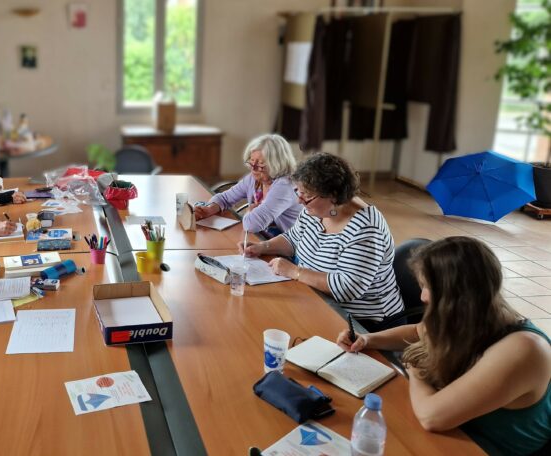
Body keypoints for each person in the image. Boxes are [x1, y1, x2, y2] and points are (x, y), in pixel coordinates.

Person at [336, 237, 551, 455]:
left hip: (480, 446)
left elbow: (432, 417)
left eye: (426, 287)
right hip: (453, 433)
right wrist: (369, 339)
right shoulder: (472, 313)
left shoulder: (524, 350)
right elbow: (418, 331)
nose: (423, 296)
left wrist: (415, 363)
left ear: (456, 295)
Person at [242, 152, 404, 330]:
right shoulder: (316, 209)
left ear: (334, 195)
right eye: (299, 191)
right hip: (315, 300)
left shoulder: (366, 230)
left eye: (306, 195)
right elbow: (294, 238)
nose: (299, 200)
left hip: (361, 323)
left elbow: (347, 288)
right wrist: (262, 247)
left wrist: (295, 272)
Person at [195, 134, 302, 235]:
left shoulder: (285, 186)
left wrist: (250, 211)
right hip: (263, 238)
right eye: (251, 160)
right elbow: (225, 198)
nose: (253, 168)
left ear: (277, 164)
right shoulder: (254, 179)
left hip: (289, 248)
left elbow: (252, 225)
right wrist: (208, 210)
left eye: (260, 164)